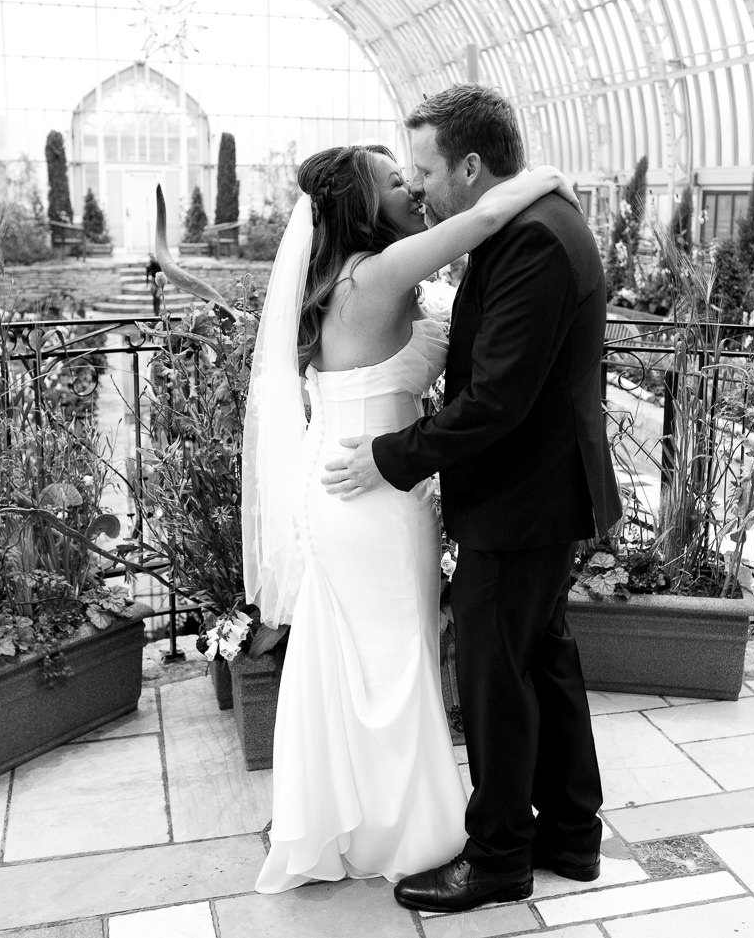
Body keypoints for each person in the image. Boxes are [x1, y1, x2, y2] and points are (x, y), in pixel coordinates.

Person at [321, 84, 623, 914]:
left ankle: (498, 857)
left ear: (471, 165)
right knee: (542, 659)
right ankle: (571, 831)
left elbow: (495, 401)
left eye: (424, 169)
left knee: (494, 675)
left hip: (523, 497)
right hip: (537, 493)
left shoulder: (533, 240)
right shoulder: (528, 225)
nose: (417, 186)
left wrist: (391, 458)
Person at [244, 142, 574, 894]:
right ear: (361, 207)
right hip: (367, 494)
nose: (411, 188)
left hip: (359, 486)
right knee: (395, 663)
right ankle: (413, 833)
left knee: (361, 661)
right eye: (396, 181)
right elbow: (485, 217)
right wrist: (548, 181)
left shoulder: (357, 280)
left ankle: (356, 821)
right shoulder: (376, 273)